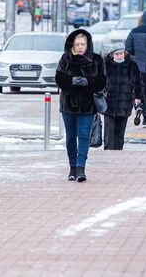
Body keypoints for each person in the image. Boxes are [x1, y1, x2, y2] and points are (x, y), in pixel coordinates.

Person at [56, 29, 106, 182]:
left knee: (84, 136)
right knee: (71, 137)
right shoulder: (66, 59)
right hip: (68, 104)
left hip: (87, 105)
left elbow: (102, 81)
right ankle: (72, 167)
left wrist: (87, 82)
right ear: (72, 44)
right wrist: (72, 81)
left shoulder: (96, 59)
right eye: (77, 44)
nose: (80, 47)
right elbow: (59, 79)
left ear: (88, 44)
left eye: (83, 44)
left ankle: (81, 168)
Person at [102, 43, 143, 150]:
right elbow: (100, 82)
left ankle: (118, 149)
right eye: (117, 54)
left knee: (120, 129)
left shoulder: (132, 65)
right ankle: (108, 148)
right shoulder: (106, 65)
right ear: (112, 55)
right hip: (109, 102)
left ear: (124, 53)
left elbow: (138, 82)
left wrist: (138, 97)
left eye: (121, 54)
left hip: (125, 101)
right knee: (109, 129)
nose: (119, 56)